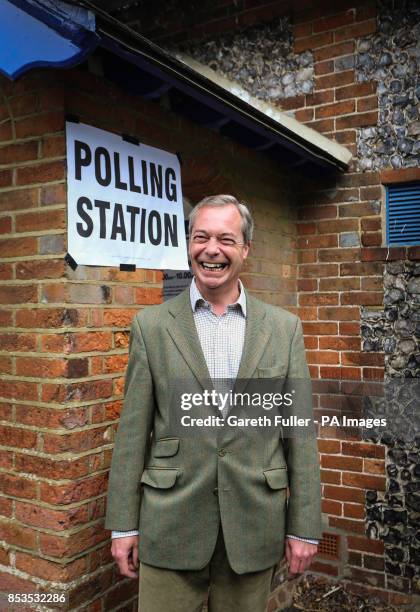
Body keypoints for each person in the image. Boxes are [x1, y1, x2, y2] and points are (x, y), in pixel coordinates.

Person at [105, 195, 322, 612]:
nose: (211, 249)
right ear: (188, 244)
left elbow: (300, 435)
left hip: (254, 524)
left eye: (226, 238)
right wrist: (123, 526)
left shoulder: (284, 329)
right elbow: (132, 432)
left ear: (245, 249)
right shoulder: (151, 327)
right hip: (170, 525)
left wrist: (305, 528)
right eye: (200, 236)